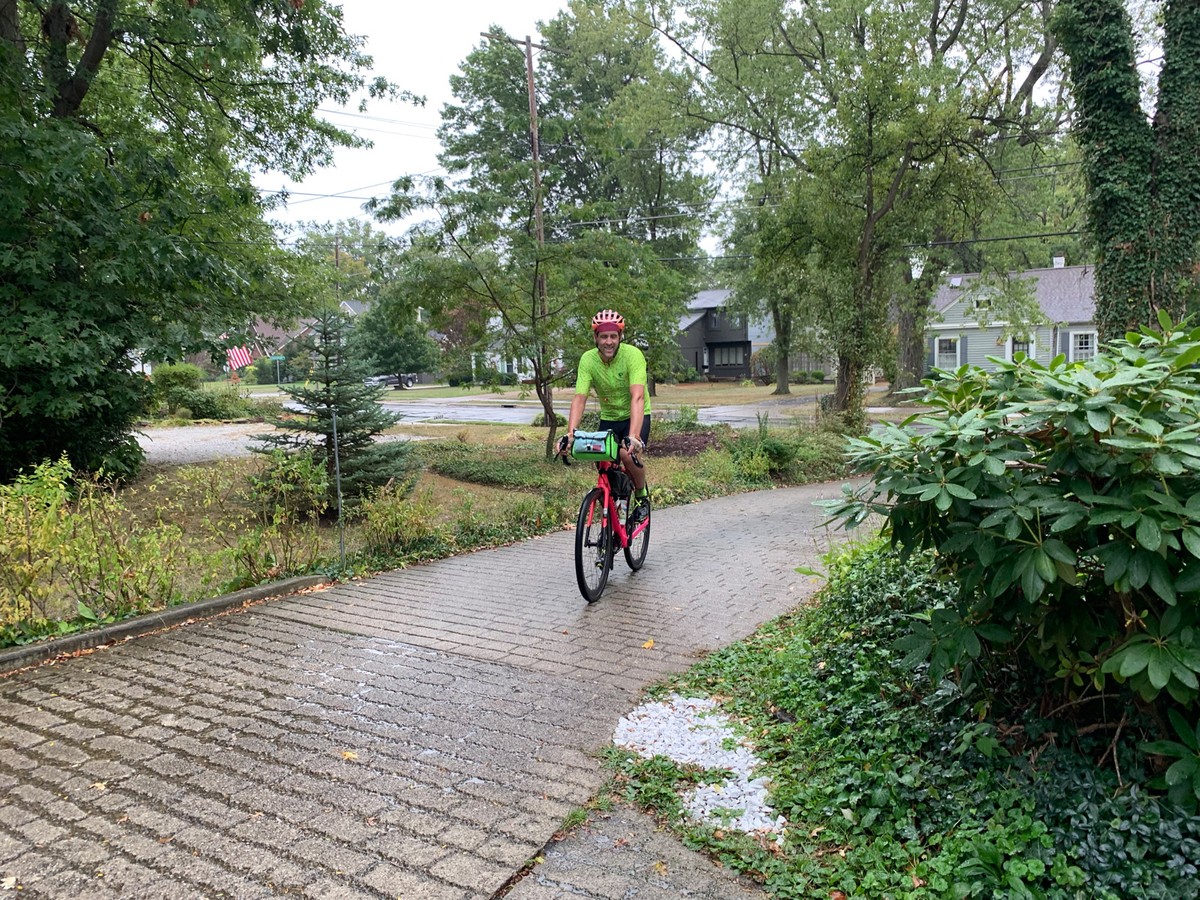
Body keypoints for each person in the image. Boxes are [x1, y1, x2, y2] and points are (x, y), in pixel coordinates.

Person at [559, 309, 652, 524]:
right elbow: (580, 398)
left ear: (620, 337)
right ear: (596, 338)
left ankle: (641, 498)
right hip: (610, 417)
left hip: (635, 415)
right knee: (600, 457)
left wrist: (634, 436)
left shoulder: (632, 355)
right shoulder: (588, 360)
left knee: (627, 455)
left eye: (613, 336)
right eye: (603, 336)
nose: (608, 342)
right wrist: (570, 434)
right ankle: (611, 507)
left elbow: (637, 397)